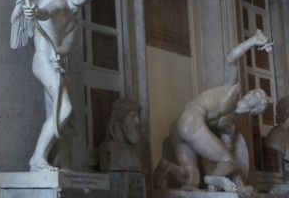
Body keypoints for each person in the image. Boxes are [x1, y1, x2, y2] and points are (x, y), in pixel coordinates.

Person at [153, 30, 272, 192]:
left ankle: (166, 167)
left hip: (180, 129)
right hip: (190, 120)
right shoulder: (232, 90)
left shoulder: (229, 128)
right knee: (228, 161)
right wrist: (252, 41)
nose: (253, 92)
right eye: (255, 91)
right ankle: (211, 181)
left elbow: (222, 164)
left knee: (192, 180)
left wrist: (239, 184)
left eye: (258, 94)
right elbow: (230, 58)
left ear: (256, 109)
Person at [11, 0, 98, 171]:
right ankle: (37, 156)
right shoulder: (60, 5)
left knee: (60, 115)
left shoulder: (74, 24)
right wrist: (35, 11)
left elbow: (63, 48)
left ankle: (56, 161)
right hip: (41, 61)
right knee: (64, 109)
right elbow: (45, 12)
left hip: (54, 65)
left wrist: (57, 57)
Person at [99, 98, 142, 172]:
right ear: (119, 119)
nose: (137, 121)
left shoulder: (134, 151)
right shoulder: (107, 148)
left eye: (137, 116)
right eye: (133, 116)